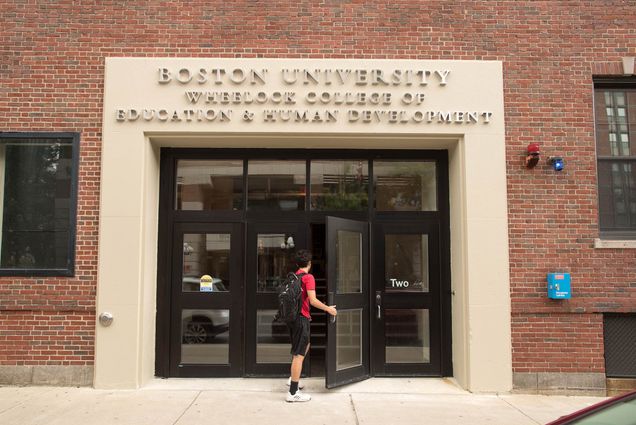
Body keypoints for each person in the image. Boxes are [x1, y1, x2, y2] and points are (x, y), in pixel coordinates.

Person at [286, 249, 337, 402]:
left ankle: (292, 379)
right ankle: (293, 393)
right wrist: (329, 309)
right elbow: (313, 300)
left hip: (293, 319)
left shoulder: (293, 277)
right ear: (309, 263)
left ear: (297, 263)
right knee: (298, 354)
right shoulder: (308, 277)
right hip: (301, 319)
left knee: (303, 346)